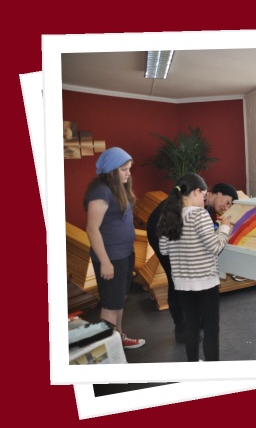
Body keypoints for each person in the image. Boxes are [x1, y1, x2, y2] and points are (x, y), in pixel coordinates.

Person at [156, 173, 233, 362]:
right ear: (197, 192)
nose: (204, 201)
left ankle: (193, 367)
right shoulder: (200, 215)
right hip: (205, 282)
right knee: (211, 330)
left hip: (182, 284)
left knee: (191, 328)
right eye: (204, 196)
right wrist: (225, 228)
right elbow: (215, 247)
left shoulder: (169, 216)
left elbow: (164, 250)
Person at [84, 147, 145, 349]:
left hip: (124, 254)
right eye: (124, 169)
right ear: (111, 170)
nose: (128, 173)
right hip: (111, 257)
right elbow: (92, 229)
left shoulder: (118, 188)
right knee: (111, 305)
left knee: (119, 301)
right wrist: (105, 262)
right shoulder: (100, 192)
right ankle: (108, 352)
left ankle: (118, 338)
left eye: (129, 168)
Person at [146, 198, 186, 342]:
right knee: (175, 279)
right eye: (227, 202)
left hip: (166, 236)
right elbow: (164, 247)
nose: (226, 207)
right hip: (159, 233)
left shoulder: (197, 203)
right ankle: (181, 328)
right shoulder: (177, 208)